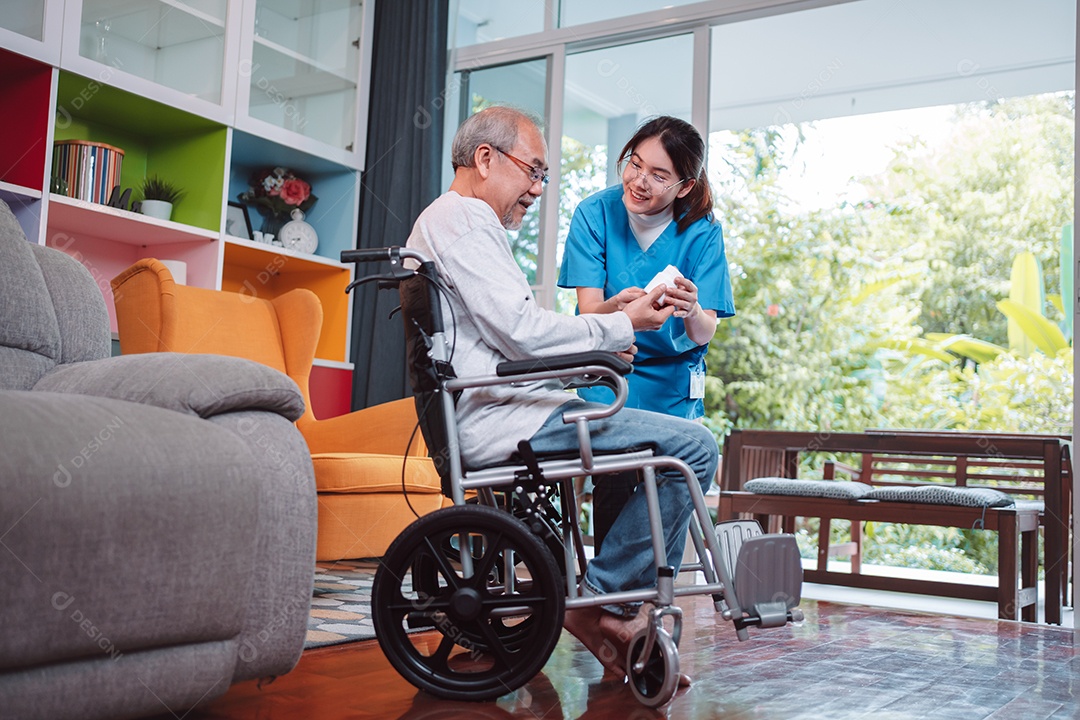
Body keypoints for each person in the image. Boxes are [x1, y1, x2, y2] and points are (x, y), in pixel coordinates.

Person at [405, 106, 719, 683]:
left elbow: (513, 333)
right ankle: (606, 601)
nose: (537, 190)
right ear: (485, 159)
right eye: (534, 172)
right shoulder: (466, 222)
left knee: (678, 444)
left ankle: (602, 606)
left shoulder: (453, 224)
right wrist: (623, 327)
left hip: (507, 409)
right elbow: (523, 332)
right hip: (506, 419)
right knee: (696, 449)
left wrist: (608, 328)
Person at [558, 116, 734, 553]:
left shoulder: (703, 230)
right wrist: (622, 311)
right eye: (634, 164)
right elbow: (588, 315)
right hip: (611, 373)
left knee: (670, 480)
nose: (639, 181)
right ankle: (618, 592)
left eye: (659, 175)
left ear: (685, 186)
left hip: (672, 385)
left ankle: (649, 595)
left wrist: (691, 307)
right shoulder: (594, 213)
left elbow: (704, 328)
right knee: (615, 477)